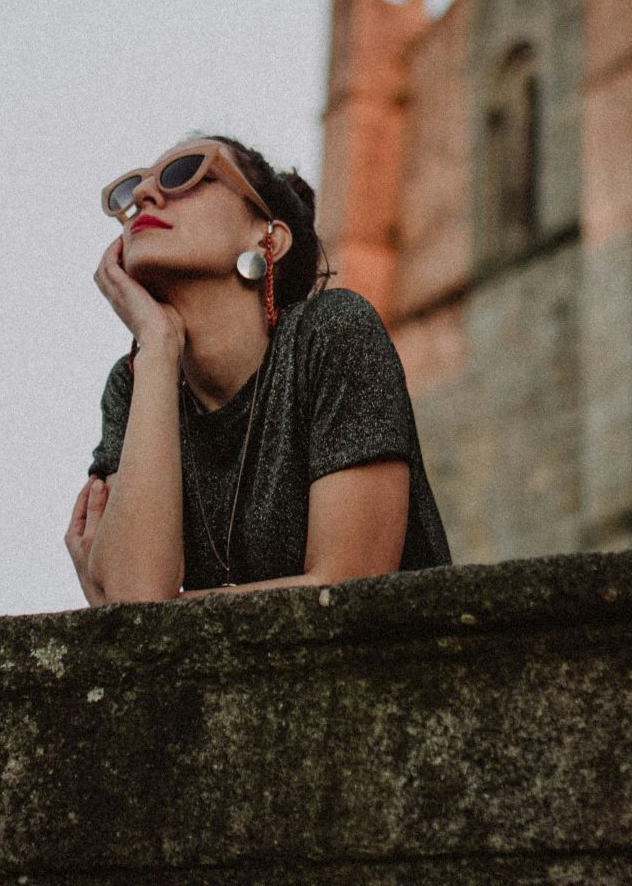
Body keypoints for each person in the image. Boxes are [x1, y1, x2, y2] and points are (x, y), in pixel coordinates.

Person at [65, 135, 450, 604]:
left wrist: (161, 605)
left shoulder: (331, 334)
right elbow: (136, 599)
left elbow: (350, 588)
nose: (145, 194)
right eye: (133, 188)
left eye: (185, 173)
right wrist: (158, 345)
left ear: (269, 236)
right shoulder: (135, 381)